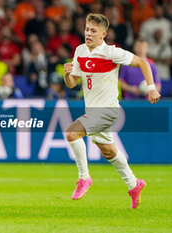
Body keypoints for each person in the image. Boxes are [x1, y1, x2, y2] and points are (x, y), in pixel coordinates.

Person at [63, 13, 160, 209]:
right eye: (87, 29)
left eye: (93, 31)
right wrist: (67, 75)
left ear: (103, 34)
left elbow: (142, 62)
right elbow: (73, 83)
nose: (88, 34)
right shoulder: (80, 50)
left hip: (108, 111)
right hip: (92, 111)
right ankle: (134, 185)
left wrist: (151, 88)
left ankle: (84, 179)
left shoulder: (112, 53)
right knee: (109, 152)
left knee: (72, 133)